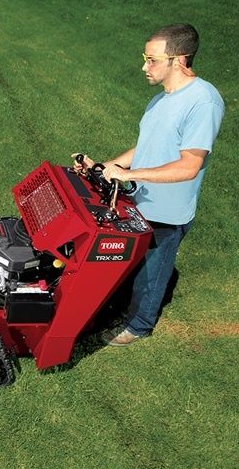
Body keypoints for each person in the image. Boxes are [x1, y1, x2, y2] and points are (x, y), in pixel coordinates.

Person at [75, 23, 224, 346]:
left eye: (152, 60)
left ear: (180, 60)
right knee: (127, 264)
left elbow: (190, 165)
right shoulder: (160, 100)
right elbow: (146, 147)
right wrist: (107, 166)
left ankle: (139, 326)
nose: (144, 66)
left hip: (167, 211)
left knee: (151, 272)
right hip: (141, 200)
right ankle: (118, 309)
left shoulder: (203, 101)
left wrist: (130, 176)